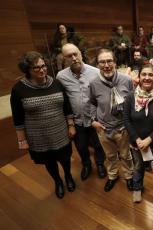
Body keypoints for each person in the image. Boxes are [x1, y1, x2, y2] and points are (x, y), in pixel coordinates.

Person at [10, 51, 76, 199]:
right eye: (36, 68)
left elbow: (67, 107)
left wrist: (71, 125)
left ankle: (68, 176)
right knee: (49, 161)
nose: (42, 70)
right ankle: (58, 181)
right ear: (27, 70)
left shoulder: (57, 83)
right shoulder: (18, 89)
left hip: (60, 131)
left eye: (43, 66)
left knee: (65, 158)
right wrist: (22, 140)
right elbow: (18, 118)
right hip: (38, 136)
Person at [57, 43, 106, 181]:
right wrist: (70, 123)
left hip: (95, 119)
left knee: (98, 144)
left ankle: (100, 164)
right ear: (64, 59)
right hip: (77, 121)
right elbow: (63, 102)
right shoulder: (61, 76)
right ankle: (86, 165)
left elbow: (102, 96)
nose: (73, 58)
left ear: (80, 53)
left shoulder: (96, 72)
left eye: (75, 54)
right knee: (81, 146)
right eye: (69, 56)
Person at [123, 63, 153, 203]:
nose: (147, 77)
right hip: (136, 142)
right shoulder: (131, 97)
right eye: (144, 74)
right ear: (139, 77)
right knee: (138, 166)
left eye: (151, 75)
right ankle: (137, 188)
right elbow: (126, 119)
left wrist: (150, 139)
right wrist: (136, 138)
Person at [89, 49, 134, 192]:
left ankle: (129, 176)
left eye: (109, 61)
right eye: (102, 62)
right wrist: (93, 120)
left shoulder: (126, 80)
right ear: (98, 65)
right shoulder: (93, 83)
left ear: (115, 63)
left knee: (126, 155)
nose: (106, 65)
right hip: (103, 128)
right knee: (110, 156)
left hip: (123, 128)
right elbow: (90, 103)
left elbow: (133, 101)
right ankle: (113, 176)